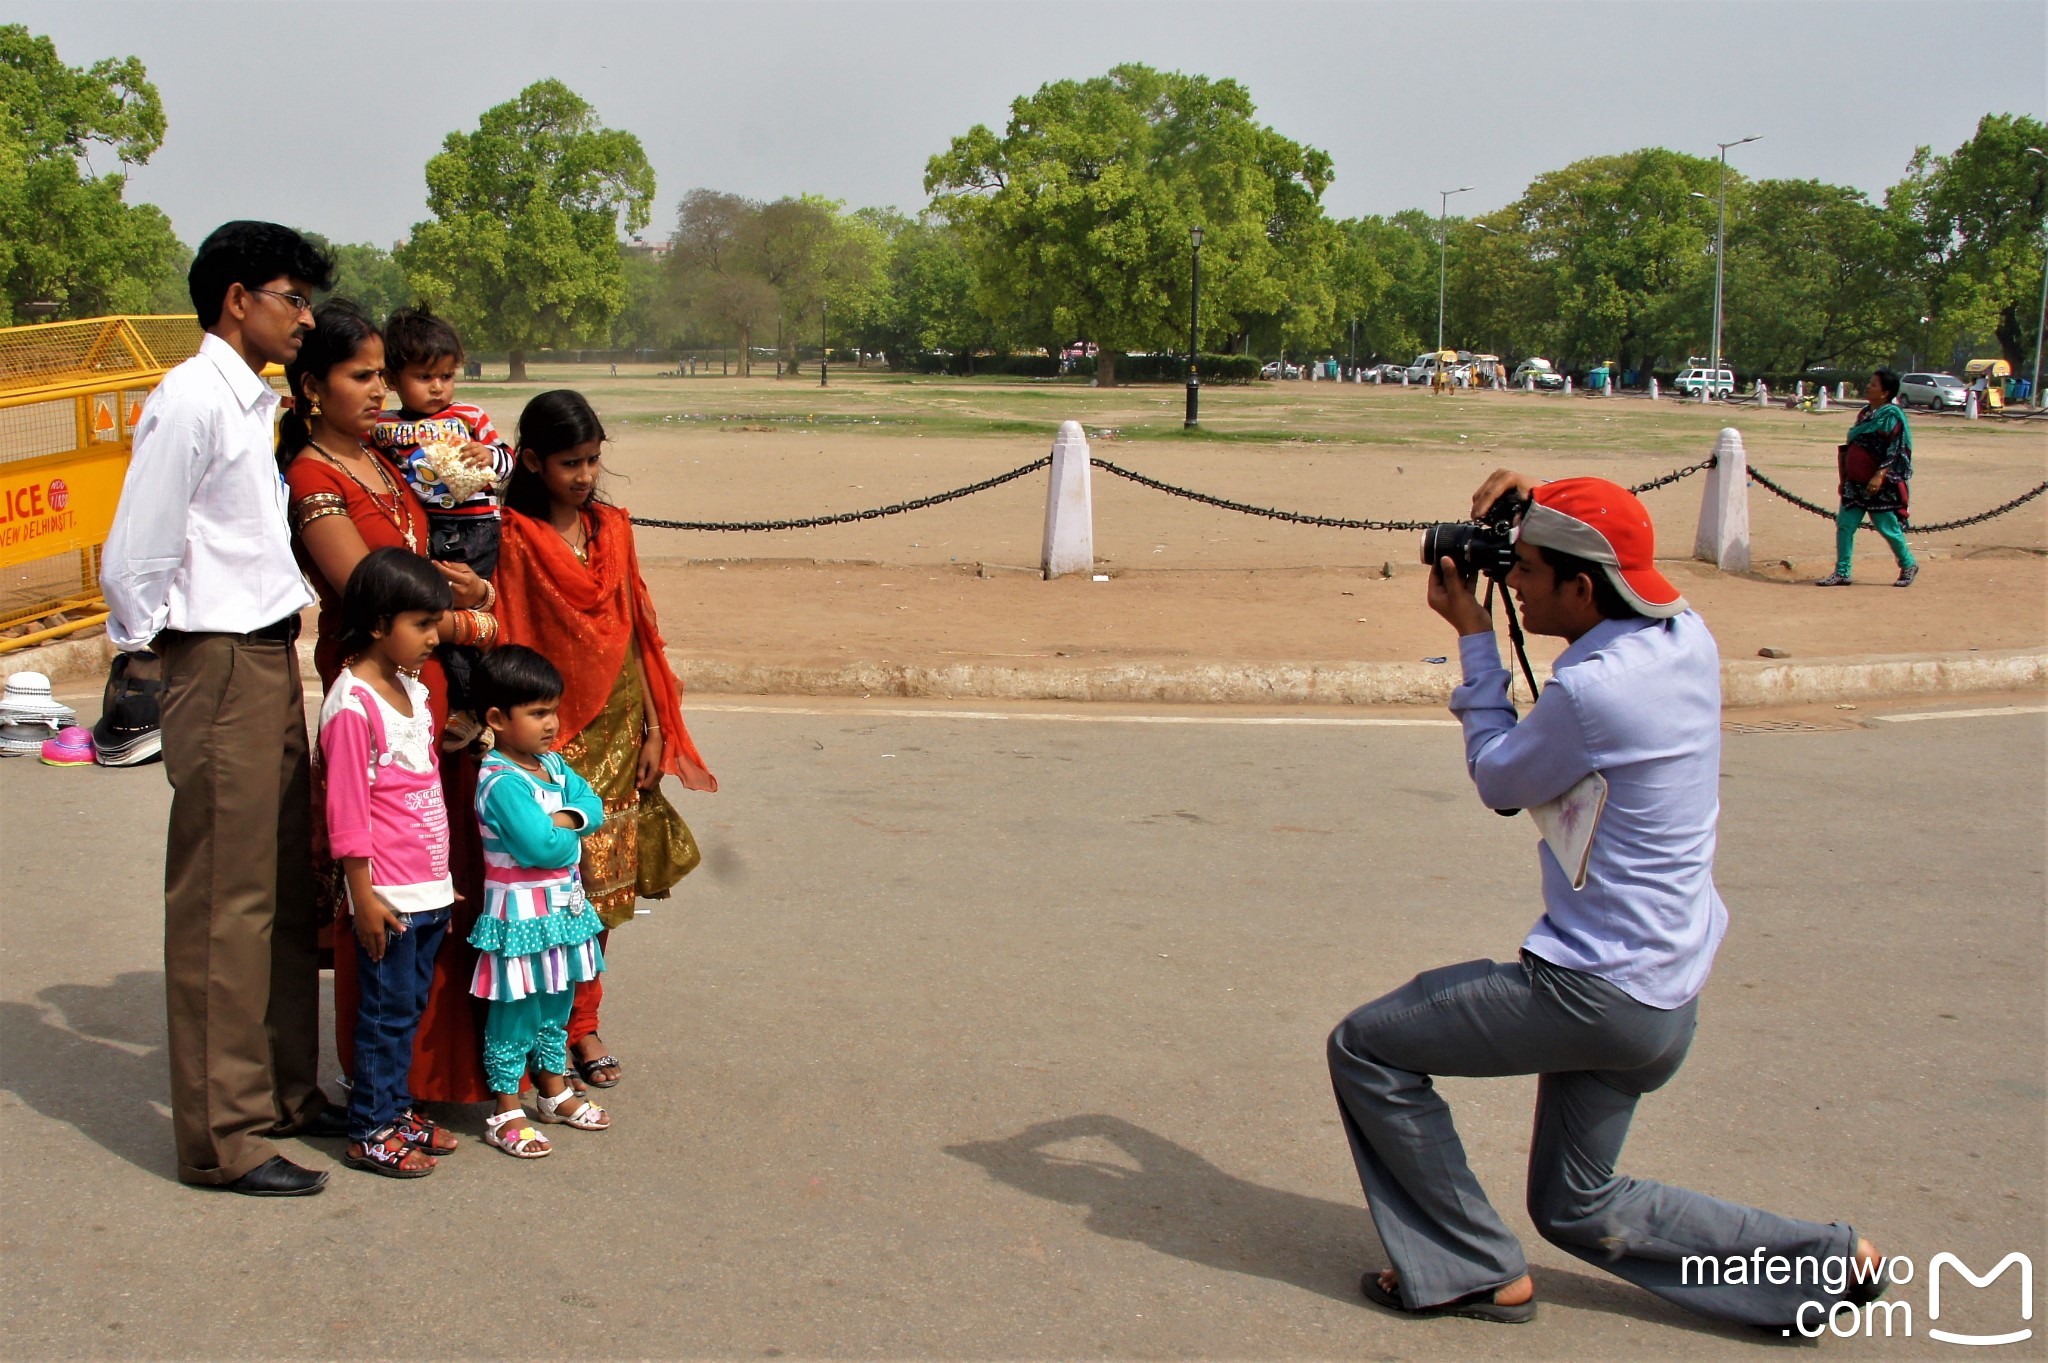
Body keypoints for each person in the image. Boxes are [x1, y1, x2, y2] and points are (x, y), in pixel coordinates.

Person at [1326, 473, 1884, 1328]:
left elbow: (1499, 779)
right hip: (1668, 988)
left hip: (1595, 990)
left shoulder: (1594, 692)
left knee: (1368, 1048)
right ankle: (1824, 1262)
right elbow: (1608, 539)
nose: (1511, 579)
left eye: (1527, 569)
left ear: (1582, 588)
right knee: (1575, 1204)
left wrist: (1475, 635)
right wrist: (1539, 496)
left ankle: (1472, 1265)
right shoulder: (1688, 635)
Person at [101, 221, 339, 1196]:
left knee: (285, 891)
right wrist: (158, 657)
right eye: (292, 295)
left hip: (269, 654)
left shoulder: (256, 403)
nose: (306, 316)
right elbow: (133, 555)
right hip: (217, 659)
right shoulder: (192, 399)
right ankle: (223, 1137)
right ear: (237, 297)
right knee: (222, 907)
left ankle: (283, 1092)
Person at [281, 299, 500, 1106]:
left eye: (383, 375)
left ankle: (438, 1078)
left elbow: (436, 549)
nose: (381, 391)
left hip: (430, 695)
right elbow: (368, 592)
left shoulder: (382, 453)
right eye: (361, 376)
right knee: (384, 904)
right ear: (313, 386)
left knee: (443, 892)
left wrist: (472, 580)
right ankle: (384, 1094)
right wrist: (477, 617)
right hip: (378, 701)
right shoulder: (315, 477)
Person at [492, 390, 716, 1090]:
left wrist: (654, 726)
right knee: (547, 887)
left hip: (620, 722)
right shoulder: (512, 536)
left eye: (592, 459)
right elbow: (508, 632)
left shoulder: (612, 529)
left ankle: (582, 1022)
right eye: (569, 462)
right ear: (531, 460)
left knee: (603, 888)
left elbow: (632, 630)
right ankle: (533, 1031)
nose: (584, 474)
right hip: (548, 733)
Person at [318, 550, 460, 1178]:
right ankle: (371, 1129)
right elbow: (347, 813)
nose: (434, 637)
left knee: (408, 1007)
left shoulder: (409, 689)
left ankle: (395, 1109)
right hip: (388, 897)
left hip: (428, 890)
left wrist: (442, 883)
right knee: (384, 1012)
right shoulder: (352, 707)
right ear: (379, 624)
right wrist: (363, 896)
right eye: (423, 623)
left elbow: (419, 789)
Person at [469, 646, 611, 1157]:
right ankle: (506, 1109)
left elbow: (592, 805)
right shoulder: (501, 780)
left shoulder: (551, 764)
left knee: (556, 1004)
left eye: (552, 710)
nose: (551, 724)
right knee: (515, 1012)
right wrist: (570, 830)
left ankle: (553, 1090)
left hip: (563, 915)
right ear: (496, 719)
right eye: (536, 713)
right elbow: (537, 846)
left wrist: (565, 821)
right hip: (520, 917)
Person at [1819, 369, 1917, 588]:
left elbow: (1896, 448)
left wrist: (1879, 475)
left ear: (1885, 392)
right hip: (1854, 483)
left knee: (1886, 526)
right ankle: (1842, 572)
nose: (1868, 387)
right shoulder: (1865, 414)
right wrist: (1845, 476)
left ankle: (1908, 564)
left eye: (1873, 385)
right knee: (1845, 524)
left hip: (1879, 483)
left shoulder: (1891, 416)